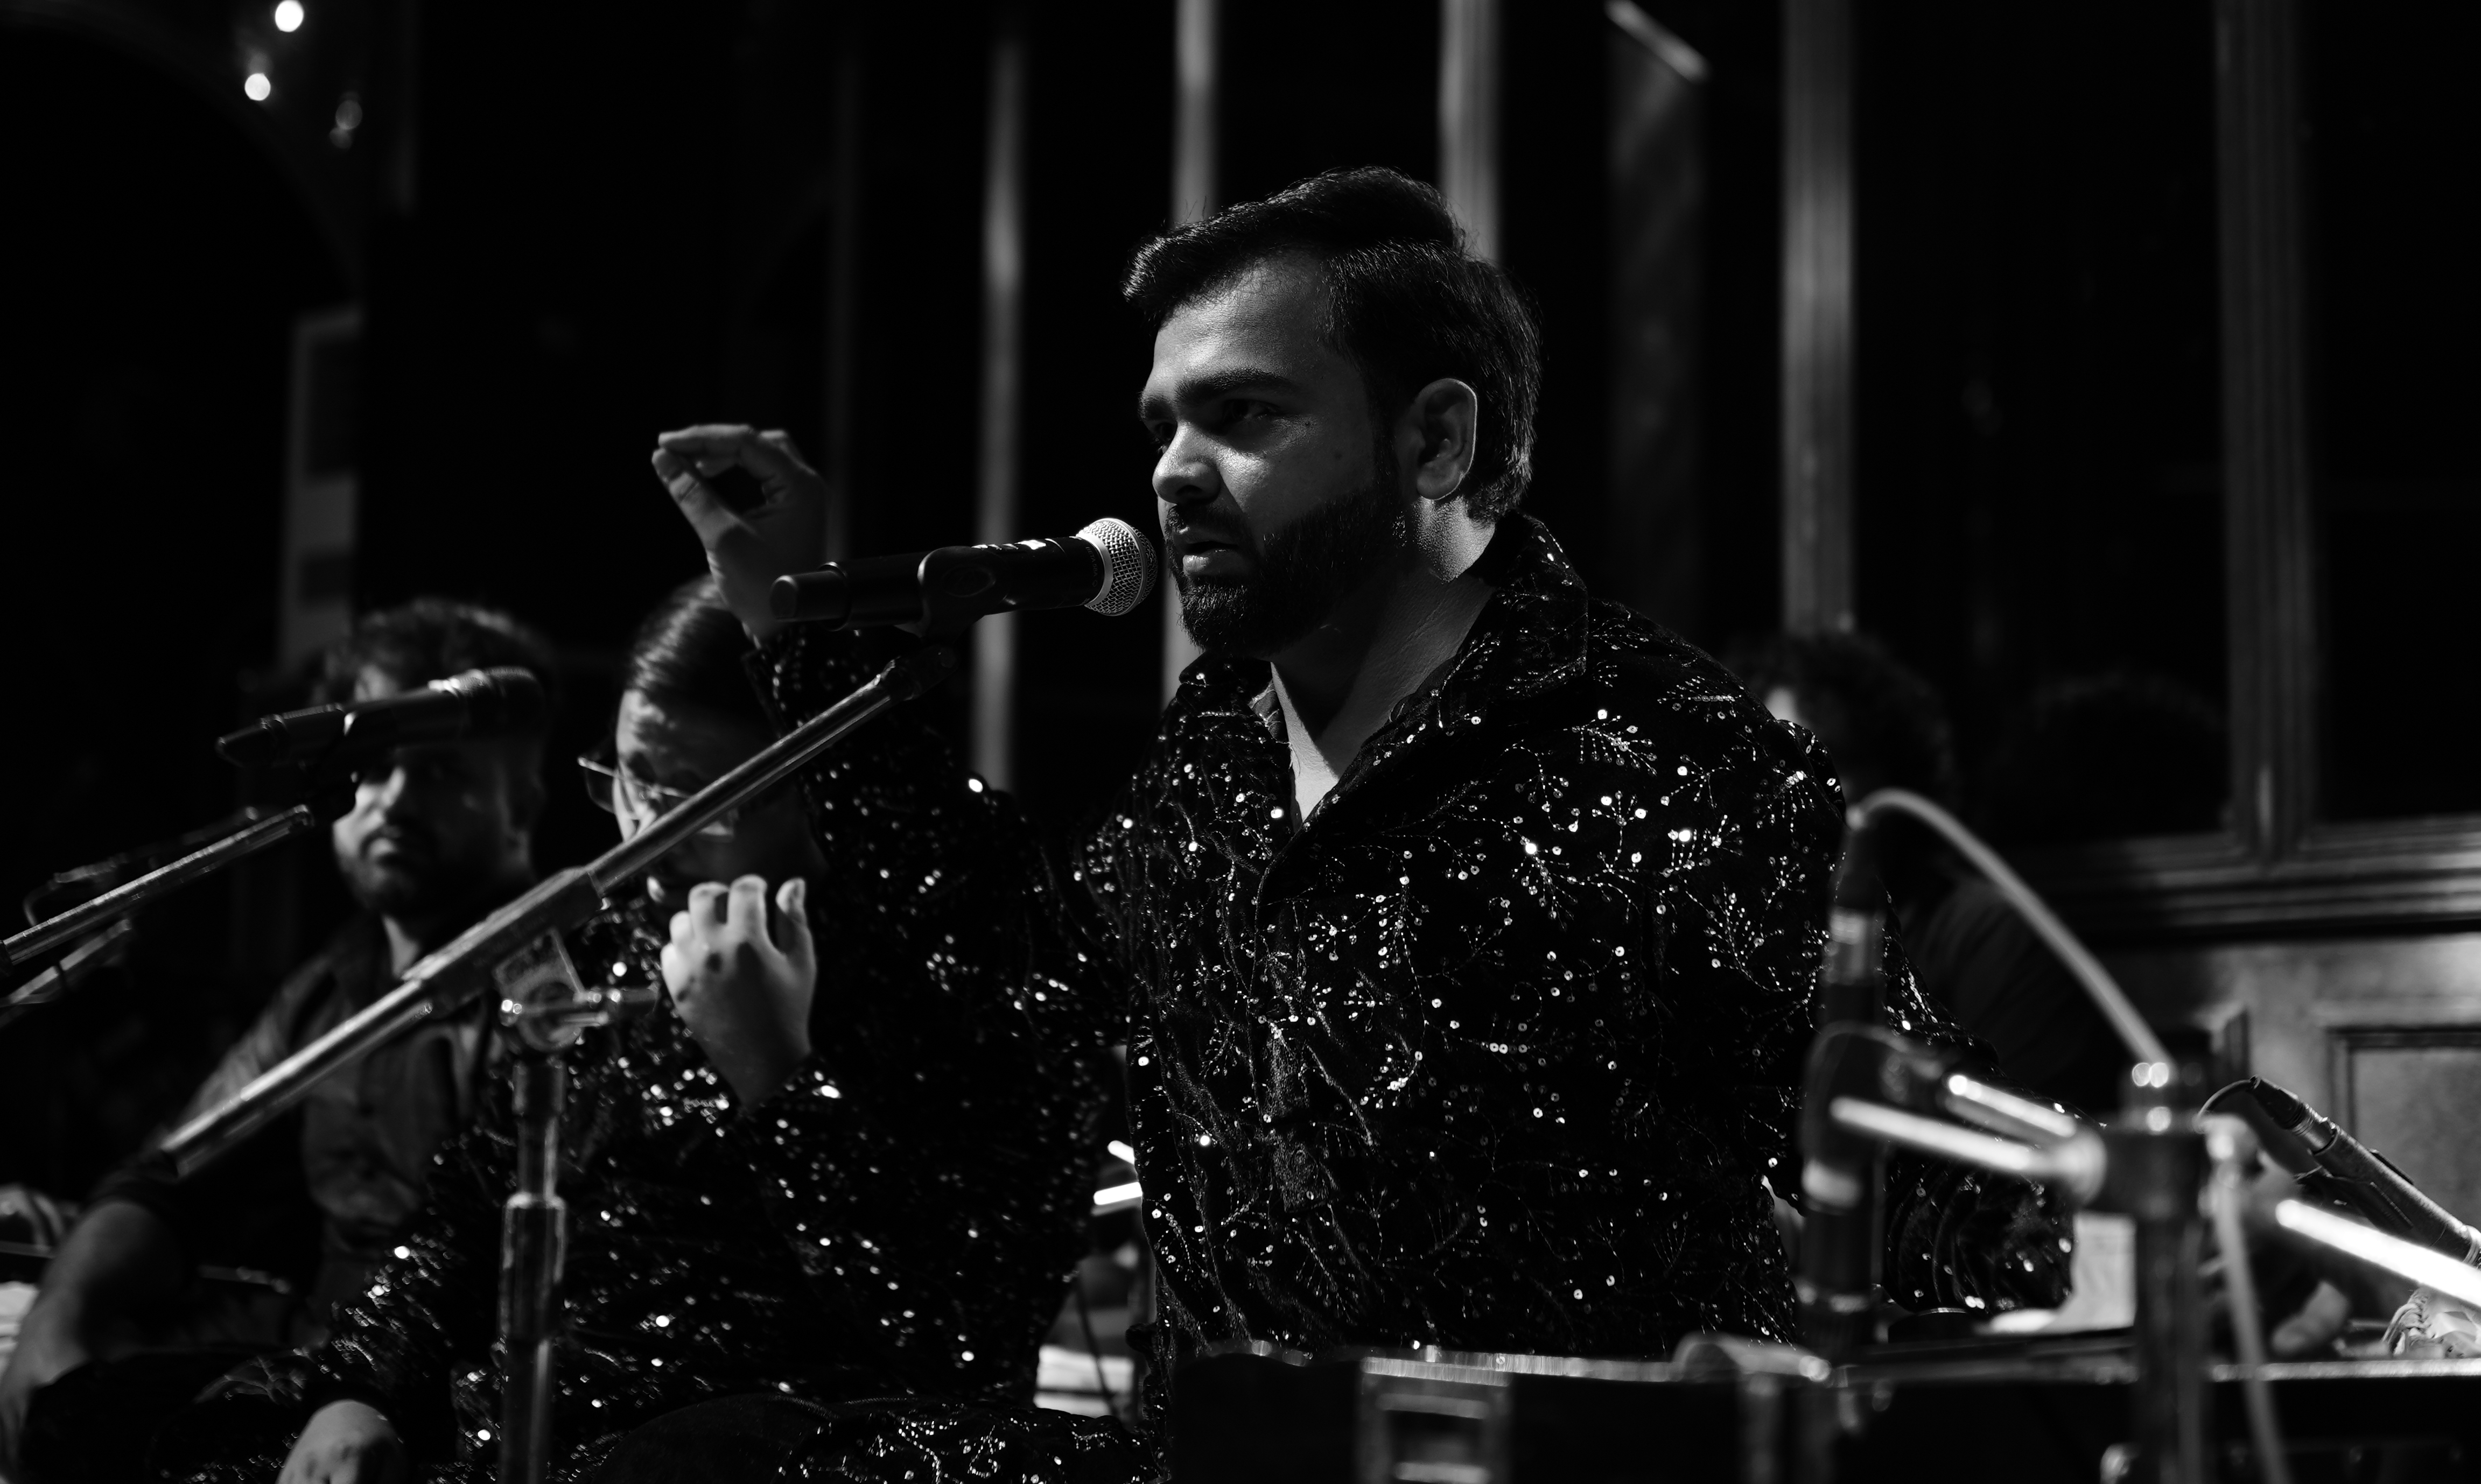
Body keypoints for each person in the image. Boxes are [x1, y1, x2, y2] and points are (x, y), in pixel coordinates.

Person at [646, 167, 2071, 1475]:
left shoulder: (1666, 757)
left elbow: (1915, 1160)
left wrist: (2125, 1237)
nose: (1173, 471)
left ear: (1436, 440)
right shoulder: (1212, 760)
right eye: (1163, 425)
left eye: (1245, 416)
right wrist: (791, 618)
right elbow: (1025, 1005)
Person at [151, 579, 1105, 1483]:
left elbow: (950, 1339)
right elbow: (464, 1219)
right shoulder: (598, 946)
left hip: (737, 1455)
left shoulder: (942, 985)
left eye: (702, 798)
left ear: (821, 796)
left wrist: (774, 1071)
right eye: (630, 778)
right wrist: (361, 1393)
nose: (648, 831)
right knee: (143, 1418)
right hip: (518, 1425)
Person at [0, 600, 559, 1484]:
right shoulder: (335, 982)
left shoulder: (550, 981)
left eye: (440, 772)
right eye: (374, 767)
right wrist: (58, 1316)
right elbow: (175, 1173)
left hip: (437, 1405)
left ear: (520, 804)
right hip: (303, 1367)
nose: (395, 799)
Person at [1725, 631, 2126, 1114]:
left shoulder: (1991, 937)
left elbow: (2026, 1147)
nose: (1787, 794)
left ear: (1891, 774)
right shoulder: (1731, 938)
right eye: (1767, 768)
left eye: (1822, 762)